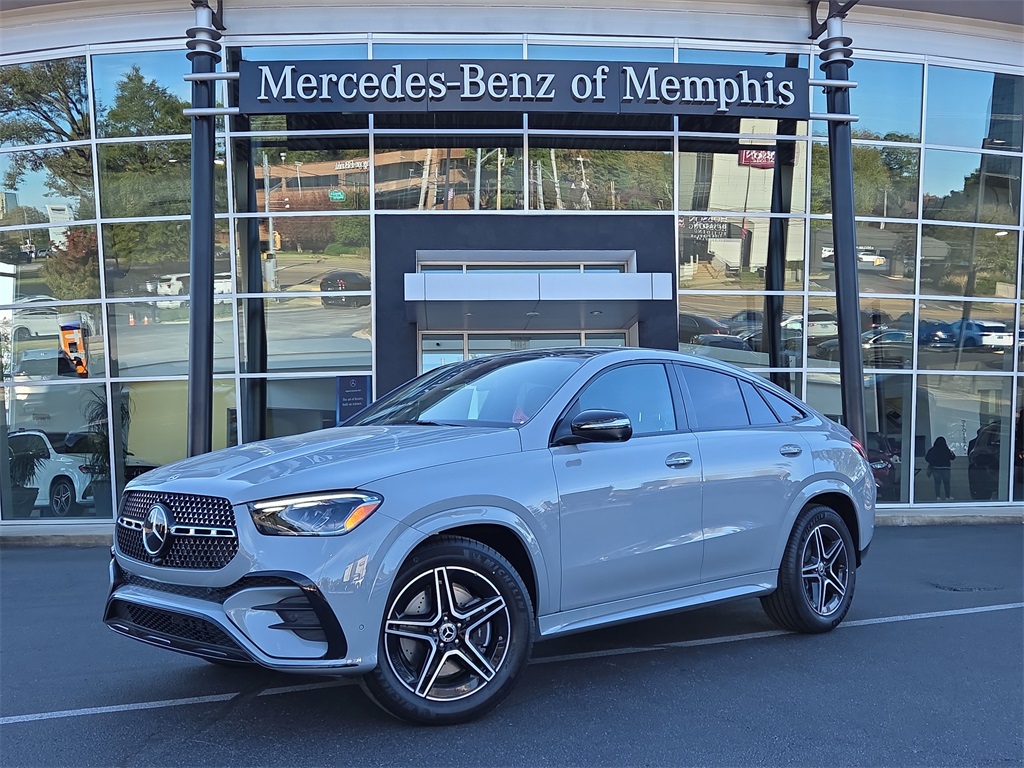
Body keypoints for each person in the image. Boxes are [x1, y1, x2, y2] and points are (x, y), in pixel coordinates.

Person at [925, 436, 955, 501]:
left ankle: (938, 497)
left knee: (937, 483)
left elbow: (927, 458)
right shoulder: (946, 449)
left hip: (936, 468)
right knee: (946, 483)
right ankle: (947, 496)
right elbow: (952, 457)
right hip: (946, 468)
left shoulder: (932, 450)